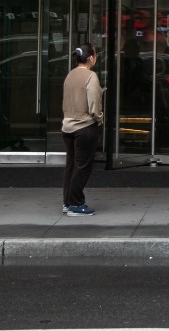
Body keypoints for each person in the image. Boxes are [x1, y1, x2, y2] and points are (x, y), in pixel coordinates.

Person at [61, 43, 104, 216]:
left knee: (71, 166)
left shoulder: (70, 75)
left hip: (67, 126)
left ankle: (67, 201)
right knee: (83, 167)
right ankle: (76, 204)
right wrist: (99, 119)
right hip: (85, 126)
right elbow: (94, 105)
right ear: (91, 58)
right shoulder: (91, 76)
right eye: (96, 54)